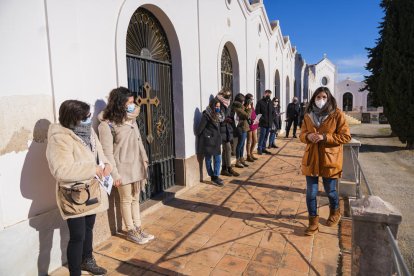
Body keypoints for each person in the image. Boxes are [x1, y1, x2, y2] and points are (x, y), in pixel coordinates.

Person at [46, 100, 111, 276]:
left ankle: (87, 260)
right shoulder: (59, 138)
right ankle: (75, 272)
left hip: (93, 188)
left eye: (89, 115)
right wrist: (92, 169)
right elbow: (61, 170)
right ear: (73, 118)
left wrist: (106, 164)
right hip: (75, 194)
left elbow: (99, 152)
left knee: (89, 228)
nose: (89, 119)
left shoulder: (88, 131)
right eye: (85, 117)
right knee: (77, 236)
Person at [98, 87, 154, 245]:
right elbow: (107, 153)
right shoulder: (106, 125)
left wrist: (144, 159)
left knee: (136, 198)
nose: (133, 104)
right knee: (126, 199)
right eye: (129, 102)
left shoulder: (132, 119)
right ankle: (130, 230)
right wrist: (114, 174)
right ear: (119, 103)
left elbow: (139, 141)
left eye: (132, 101)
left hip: (136, 165)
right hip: (122, 167)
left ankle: (138, 227)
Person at [299, 87, 351, 236]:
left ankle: (335, 211)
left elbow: (345, 136)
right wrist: (308, 136)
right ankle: (313, 223)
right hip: (311, 158)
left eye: (324, 97)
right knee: (311, 193)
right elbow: (301, 134)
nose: (320, 99)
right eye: (318, 96)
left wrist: (325, 137)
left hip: (330, 159)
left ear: (328, 98)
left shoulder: (337, 114)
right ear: (314, 97)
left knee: (331, 191)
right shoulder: (308, 115)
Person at [196, 98, 224, 186]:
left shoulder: (219, 115)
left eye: (219, 106)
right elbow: (199, 129)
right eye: (216, 106)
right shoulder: (206, 115)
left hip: (216, 140)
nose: (218, 108)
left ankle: (215, 175)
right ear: (212, 106)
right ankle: (213, 177)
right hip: (209, 141)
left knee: (218, 159)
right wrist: (205, 136)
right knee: (208, 159)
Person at [216, 90, 240, 177]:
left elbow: (229, 115)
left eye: (230, 96)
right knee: (228, 148)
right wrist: (224, 120)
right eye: (227, 96)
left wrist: (231, 120)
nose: (229, 98)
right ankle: (229, 168)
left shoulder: (228, 104)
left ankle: (224, 168)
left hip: (227, 128)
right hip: (221, 129)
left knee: (226, 150)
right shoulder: (218, 103)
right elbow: (217, 117)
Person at [231, 93, 251, 168]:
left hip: (244, 127)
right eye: (243, 101)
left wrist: (246, 108)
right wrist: (249, 109)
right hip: (241, 128)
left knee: (242, 145)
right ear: (240, 101)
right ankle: (237, 160)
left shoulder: (240, 107)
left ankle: (242, 159)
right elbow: (247, 115)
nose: (244, 102)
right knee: (239, 145)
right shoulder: (237, 108)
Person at [256, 90, 274, 155]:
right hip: (263, 123)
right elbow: (257, 112)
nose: (268, 95)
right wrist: (262, 119)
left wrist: (272, 118)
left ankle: (264, 148)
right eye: (267, 93)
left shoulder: (271, 102)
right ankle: (259, 149)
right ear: (264, 94)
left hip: (269, 123)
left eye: (269, 94)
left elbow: (273, 112)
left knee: (266, 136)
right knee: (262, 136)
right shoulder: (260, 102)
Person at [245, 93, 258, 162]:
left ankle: (251, 152)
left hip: (254, 124)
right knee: (249, 141)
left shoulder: (252, 106)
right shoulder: (246, 106)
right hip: (249, 125)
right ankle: (248, 155)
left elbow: (253, 114)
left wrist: (256, 119)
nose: (252, 100)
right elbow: (247, 115)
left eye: (252, 99)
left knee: (255, 140)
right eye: (251, 99)